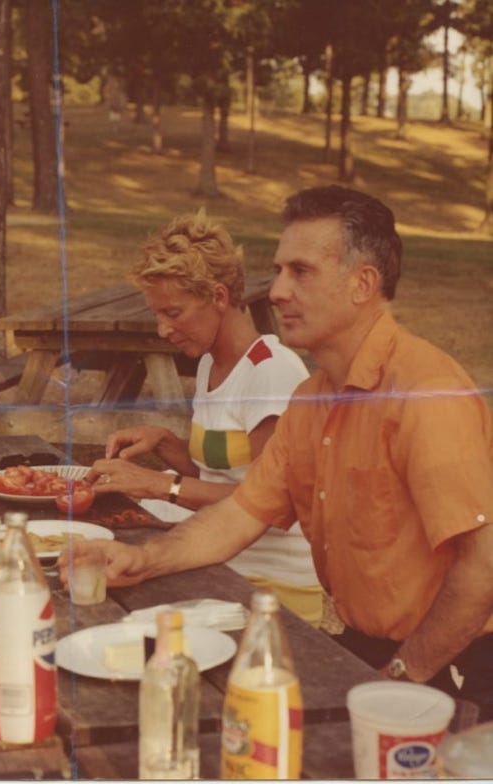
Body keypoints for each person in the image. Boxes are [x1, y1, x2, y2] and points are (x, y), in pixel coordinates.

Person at [62, 186, 493, 718]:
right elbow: (240, 514)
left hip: (457, 661)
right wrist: (141, 559)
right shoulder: (312, 398)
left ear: (363, 284)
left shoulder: (425, 391)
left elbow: (483, 565)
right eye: (279, 270)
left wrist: (404, 675)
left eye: (301, 272)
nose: (279, 290)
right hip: (374, 647)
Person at [85, 209, 322, 626]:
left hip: (272, 587)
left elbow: (266, 501)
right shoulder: (211, 363)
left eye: (172, 313)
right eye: (157, 314)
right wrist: (164, 443)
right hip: (222, 564)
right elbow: (217, 476)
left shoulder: (272, 371)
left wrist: (160, 485)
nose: (162, 330)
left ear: (218, 297)